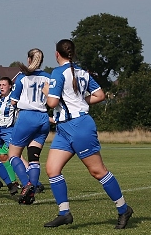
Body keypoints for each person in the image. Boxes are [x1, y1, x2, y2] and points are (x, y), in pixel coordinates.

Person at [42, 39, 133, 229]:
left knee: (97, 171)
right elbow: (100, 95)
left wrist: (46, 91)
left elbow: (51, 103)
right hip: (65, 128)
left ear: (57, 54)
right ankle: (64, 213)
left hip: (78, 126)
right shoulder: (82, 72)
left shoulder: (58, 73)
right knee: (52, 169)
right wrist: (80, 103)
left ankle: (123, 209)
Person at [8, 48, 52, 205]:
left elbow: (13, 101)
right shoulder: (49, 77)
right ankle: (31, 194)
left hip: (27, 116)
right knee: (34, 157)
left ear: (29, 59)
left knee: (13, 155)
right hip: (43, 118)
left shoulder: (22, 78)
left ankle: (27, 184)